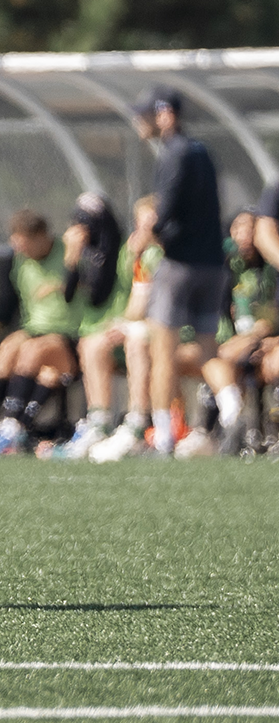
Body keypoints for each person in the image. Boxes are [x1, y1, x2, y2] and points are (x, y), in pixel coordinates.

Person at [130, 85, 225, 457]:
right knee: (208, 350)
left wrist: (142, 238)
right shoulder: (203, 152)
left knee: (162, 352)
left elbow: (165, 209)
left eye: (145, 114)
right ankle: (231, 413)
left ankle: (164, 437)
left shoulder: (173, 152)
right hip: (213, 266)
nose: (139, 121)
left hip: (180, 265)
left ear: (165, 114)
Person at [0, 210, 83, 459]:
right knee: (9, 347)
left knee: (33, 351)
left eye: (25, 241)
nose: (19, 247)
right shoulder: (18, 260)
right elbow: (6, 308)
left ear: (41, 237)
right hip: (35, 333)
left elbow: (91, 284)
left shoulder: (69, 252)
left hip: (72, 337)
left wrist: (63, 284)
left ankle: (12, 427)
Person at [178, 207, 276, 456]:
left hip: (264, 344)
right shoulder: (225, 266)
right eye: (238, 228)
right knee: (183, 359)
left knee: (229, 359)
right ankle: (211, 429)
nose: (244, 235)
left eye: (250, 229)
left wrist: (255, 336)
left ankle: (225, 427)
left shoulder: (269, 270)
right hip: (229, 345)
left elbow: (268, 320)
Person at [85, 197, 165, 462]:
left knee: (136, 342)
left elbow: (146, 306)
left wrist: (127, 324)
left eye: (151, 218)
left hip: (169, 329)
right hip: (143, 324)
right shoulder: (136, 253)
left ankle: (137, 420)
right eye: (141, 219)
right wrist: (122, 323)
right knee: (93, 343)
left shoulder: (166, 253)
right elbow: (134, 302)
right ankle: (99, 420)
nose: (144, 226)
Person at [49, 194, 128, 459]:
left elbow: (98, 293)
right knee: (86, 346)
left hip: (119, 330)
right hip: (90, 332)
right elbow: (69, 295)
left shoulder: (122, 251)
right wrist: (71, 258)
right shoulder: (84, 254)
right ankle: (94, 420)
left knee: (92, 346)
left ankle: (102, 420)